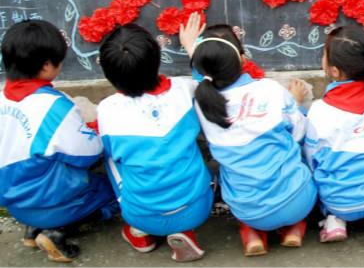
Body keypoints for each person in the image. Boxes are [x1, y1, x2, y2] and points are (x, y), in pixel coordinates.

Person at [179, 14, 316, 256]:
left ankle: (251, 232)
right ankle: (295, 227)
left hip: (248, 210)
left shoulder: (202, 103)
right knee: (300, 153)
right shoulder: (270, 89)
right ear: (243, 59)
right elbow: (298, 133)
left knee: (232, 176)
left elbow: (206, 78)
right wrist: (295, 103)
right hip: (297, 201)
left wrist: (192, 49)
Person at [0, 20, 117, 262]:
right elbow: (90, 152)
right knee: (115, 191)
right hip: (49, 201)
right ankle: (58, 231)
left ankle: (32, 229)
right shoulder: (54, 106)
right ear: (46, 66)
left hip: (14, 204)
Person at [97, 24, 212, 262]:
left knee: (110, 157)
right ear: (157, 58)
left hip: (141, 214)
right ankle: (183, 230)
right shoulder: (184, 90)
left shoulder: (107, 109)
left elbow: (113, 154)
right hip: (197, 208)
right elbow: (210, 83)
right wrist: (191, 46)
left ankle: (140, 233)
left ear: (108, 73)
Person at [303, 25, 364, 242]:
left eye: (324, 54)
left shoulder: (319, 110)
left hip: (338, 201)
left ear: (334, 71)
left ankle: (334, 220)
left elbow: (312, 160)